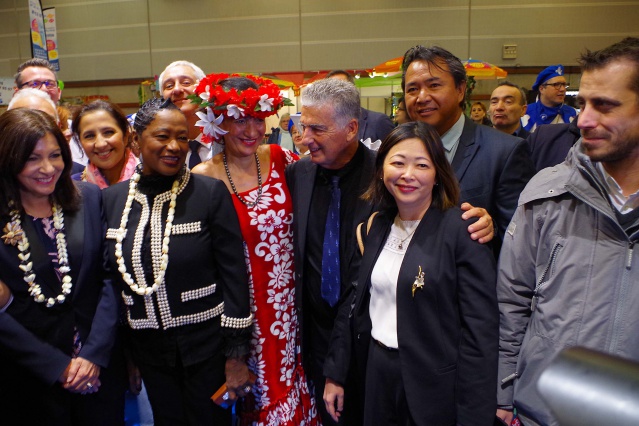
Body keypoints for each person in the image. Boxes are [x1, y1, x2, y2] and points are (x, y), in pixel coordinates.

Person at [288, 78, 495, 425]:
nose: (305, 138)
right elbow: (355, 294)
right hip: (345, 351)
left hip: (429, 378)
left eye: (318, 129)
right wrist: (336, 369)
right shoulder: (307, 179)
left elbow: (480, 331)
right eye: (302, 126)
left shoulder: (451, 224)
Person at [496, 37, 639, 426]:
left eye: (604, 105)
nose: (583, 120)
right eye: (583, 103)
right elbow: (512, 301)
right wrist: (505, 392)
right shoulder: (547, 192)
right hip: (543, 411)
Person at [328, 121, 498, 425]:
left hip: (433, 385)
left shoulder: (462, 230)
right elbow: (353, 302)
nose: (408, 175)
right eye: (397, 163)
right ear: (381, 169)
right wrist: (336, 373)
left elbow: (480, 333)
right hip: (376, 372)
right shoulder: (376, 225)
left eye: (422, 165)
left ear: (437, 174)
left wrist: (474, 416)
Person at [103, 98, 253, 425]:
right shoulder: (111, 200)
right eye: (162, 136)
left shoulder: (209, 193)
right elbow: (115, 286)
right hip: (149, 354)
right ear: (135, 139)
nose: (174, 146)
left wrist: (236, 356)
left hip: (208, 351)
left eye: (182, 137)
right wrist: (128, 356)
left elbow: (235, 278)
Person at [191, 74, 319, 425]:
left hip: (293, 305)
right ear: (218, 122)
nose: (251, 130)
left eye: (257, 119)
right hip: (242, 312)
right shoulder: (203, 177)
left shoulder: (282, 158)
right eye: (239, 120)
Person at [0, 108, 122, 425]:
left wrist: (93, 354)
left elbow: (110, 279)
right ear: (8, 159)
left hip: (98, 369)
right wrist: (56, 366)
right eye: (32, 158)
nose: (47, 168)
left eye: (55, 155)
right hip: (28, 377)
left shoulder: (89, 198)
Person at [401, 45, 536, 250]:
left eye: (434, 85)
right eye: (412, 89)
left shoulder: (505, 152)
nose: (422, 97)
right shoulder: (399, 153)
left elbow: (522, 241)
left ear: (460, 90)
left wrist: (490, 229)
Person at [14, 58, 88, 166]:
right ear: (17, 93)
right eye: (34, 83)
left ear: (59, 92)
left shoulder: (78, 131)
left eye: (50, 83)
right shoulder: (6, 133)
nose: (44, 89)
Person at [158, 60, 221, 168]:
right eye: (169, 86)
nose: (177, 89)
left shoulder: (225, 141)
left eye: (186, 83)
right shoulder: (159, 148)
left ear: (204, 89)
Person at [72, 100, 139, 188]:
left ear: (125, 136)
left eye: (108, 132)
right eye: (89, 136)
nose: (100, 144)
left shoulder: (150, 182)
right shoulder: (73, 187)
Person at [326, 70, 395, 143]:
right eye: (331, 89)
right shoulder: (325, 126)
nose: (336, 93)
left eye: (341, 87)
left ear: (353, 90)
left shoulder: (379, 122)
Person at [522, 64, 577, 132]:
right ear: (542, 89)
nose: (562, 89)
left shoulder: (573, 114)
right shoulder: (524, 113)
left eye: (564, 85)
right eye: (556, 85)